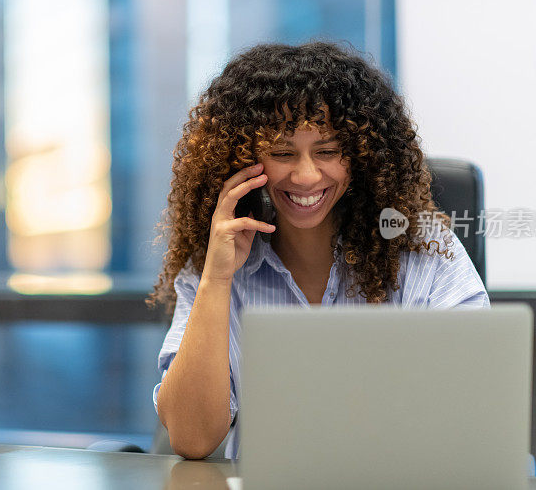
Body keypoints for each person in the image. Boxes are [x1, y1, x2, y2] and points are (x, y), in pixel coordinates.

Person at [148, 41, 489, 460]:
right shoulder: (218, 262)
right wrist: (217, 278)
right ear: (241, 160)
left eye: (327, 151)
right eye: (281, 153)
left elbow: (475, 415)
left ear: (361, 156)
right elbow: (191, 438)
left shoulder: (425, 250)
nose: (306, 176)